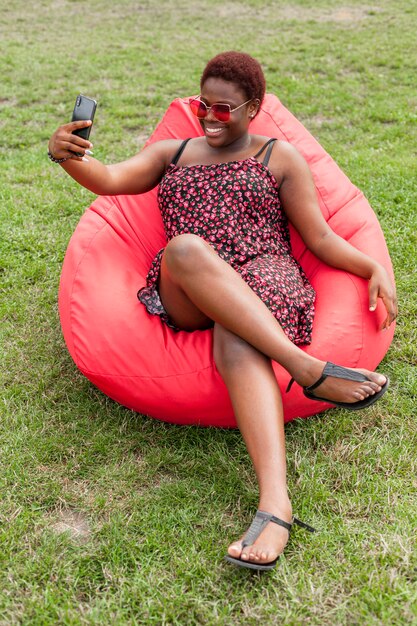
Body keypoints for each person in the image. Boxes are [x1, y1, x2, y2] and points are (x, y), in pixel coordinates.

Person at [48, 51, 397, 571]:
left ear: (253, 108)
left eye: (225, 108)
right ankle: (305, 369)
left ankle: (275, 505)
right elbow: (108, 179)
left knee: (237, 333)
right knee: (185, 248)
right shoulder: (174, 152)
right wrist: (66, 154)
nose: (211, 117)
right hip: (189, 286)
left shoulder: (279, 157)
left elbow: (320, 236)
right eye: (203, 105)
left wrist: (371, 265)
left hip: (264, 276)